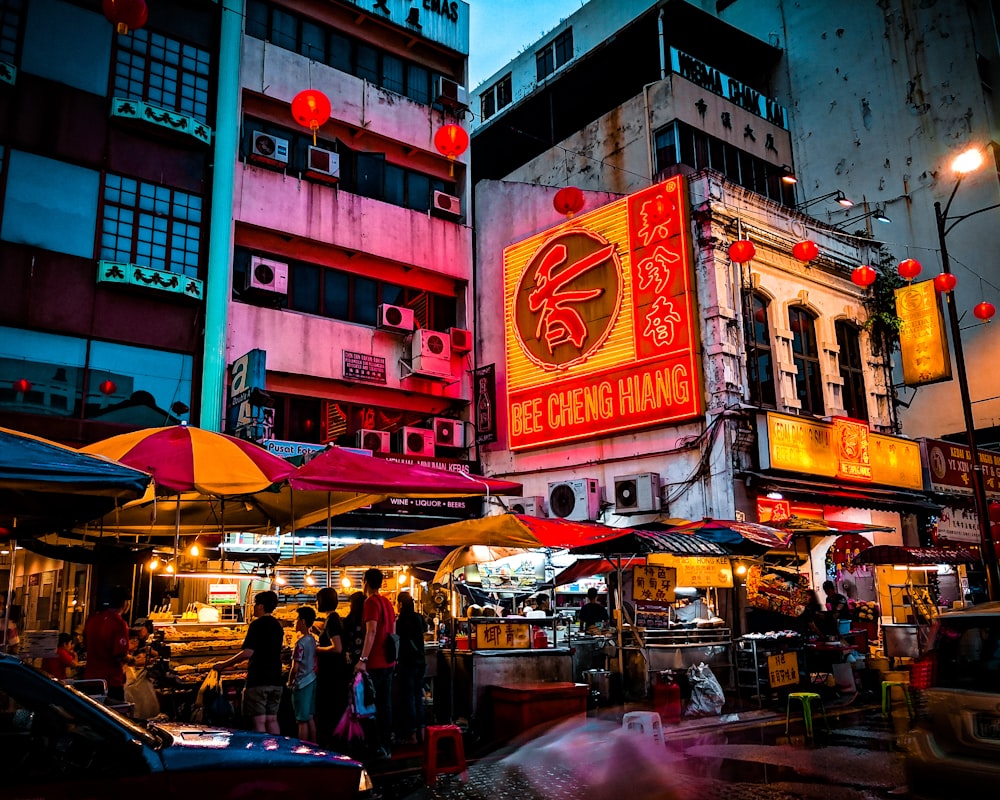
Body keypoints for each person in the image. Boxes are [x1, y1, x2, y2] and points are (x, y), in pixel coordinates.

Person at [212, 590, 284, 734]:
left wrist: (224, 664)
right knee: (272, 720)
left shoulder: (257, 625)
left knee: (259, 721)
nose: (254, 607)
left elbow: (248, 652)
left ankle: (262, 754)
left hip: (259, 679)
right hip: (276, 679)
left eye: (256, 604)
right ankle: (277, 751)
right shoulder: (278, 626)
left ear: (262, 606)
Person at [354, 568, 396, 760]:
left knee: (369, 707)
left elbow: (371, 632)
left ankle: (376, 747)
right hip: (388, 661)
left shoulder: (370, 602)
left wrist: (363, 659)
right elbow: (393, 633)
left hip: (375, 663)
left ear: (365, 581)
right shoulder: (388, 602)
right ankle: (386, 746)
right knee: (385, 705)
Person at [312, 587, 347, 747]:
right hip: (335, 673)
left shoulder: (332, 620)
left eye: (318, 599)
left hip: (332, 675)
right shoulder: (333, 619)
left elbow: (337, 647)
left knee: (330, 710)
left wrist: (316, 649)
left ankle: (333, 745)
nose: (316, 602)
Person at [83, 585, 131, 701]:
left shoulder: (92, 620)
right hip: (110, 682)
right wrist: (134, 660)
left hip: (90, 680)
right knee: (113, 716)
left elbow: (86, 644)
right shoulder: (119, 623)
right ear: (125, 603)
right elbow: (119, 656)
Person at [394, 591, 427, 745]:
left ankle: (412, 735)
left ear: (400, 604)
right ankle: (422, 732)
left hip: (407, 663)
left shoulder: (400, 621)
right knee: (418, 698)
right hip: (421, 662)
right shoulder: (419, 617)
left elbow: (396, 640)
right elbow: (425, 632)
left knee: (409, 698)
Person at [288, 606, 318, 744]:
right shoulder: (312, 640)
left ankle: (304, 748)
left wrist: (290, 681)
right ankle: (315, 745)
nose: (295, 622)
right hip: (312, 679)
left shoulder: (300, 643)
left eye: (297, 619)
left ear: (303, 622)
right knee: (310, 716)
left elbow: (295, 668)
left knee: (301, 720)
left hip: (302, 683)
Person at [342, 591, 367, 667]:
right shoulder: (367, 620)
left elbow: (344, 639)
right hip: (364, 658)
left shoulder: (348, 620)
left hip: (351, 657)